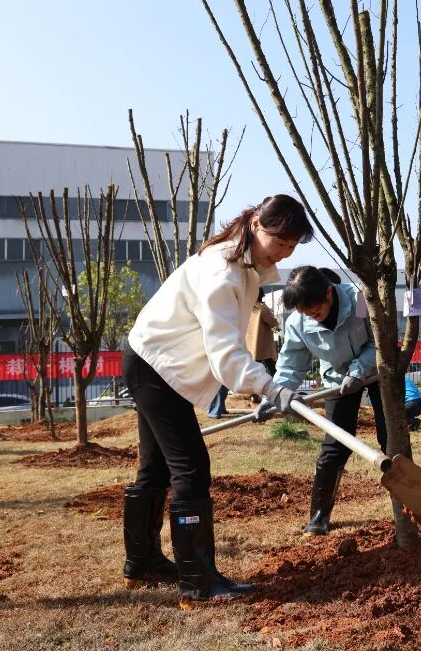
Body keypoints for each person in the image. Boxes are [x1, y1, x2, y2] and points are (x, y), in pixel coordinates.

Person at [123, 194, 313, 606]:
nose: (283, 253)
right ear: (257, 225)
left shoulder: (243, 263)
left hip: (156, 363)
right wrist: (269, 386)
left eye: (292, 246)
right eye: (279, 243)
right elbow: (226, 352)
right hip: (155, 367)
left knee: (155, 468)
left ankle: (143, 564)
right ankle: (199, 582)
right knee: (190, 468)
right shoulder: (222, 271)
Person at [260, 266, 383, 536]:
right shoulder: (298, 324)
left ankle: (410, 502)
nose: (312, 319)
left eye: (316, 312)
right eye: (305, 314)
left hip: (375, 372)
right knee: (335, 445)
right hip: (337, 381)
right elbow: (291, 366)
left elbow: (378, 341)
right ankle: (318, 517)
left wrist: (359, 370)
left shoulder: (360, 299)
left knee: (390, 437)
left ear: (329, 292)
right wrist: (274, 394)